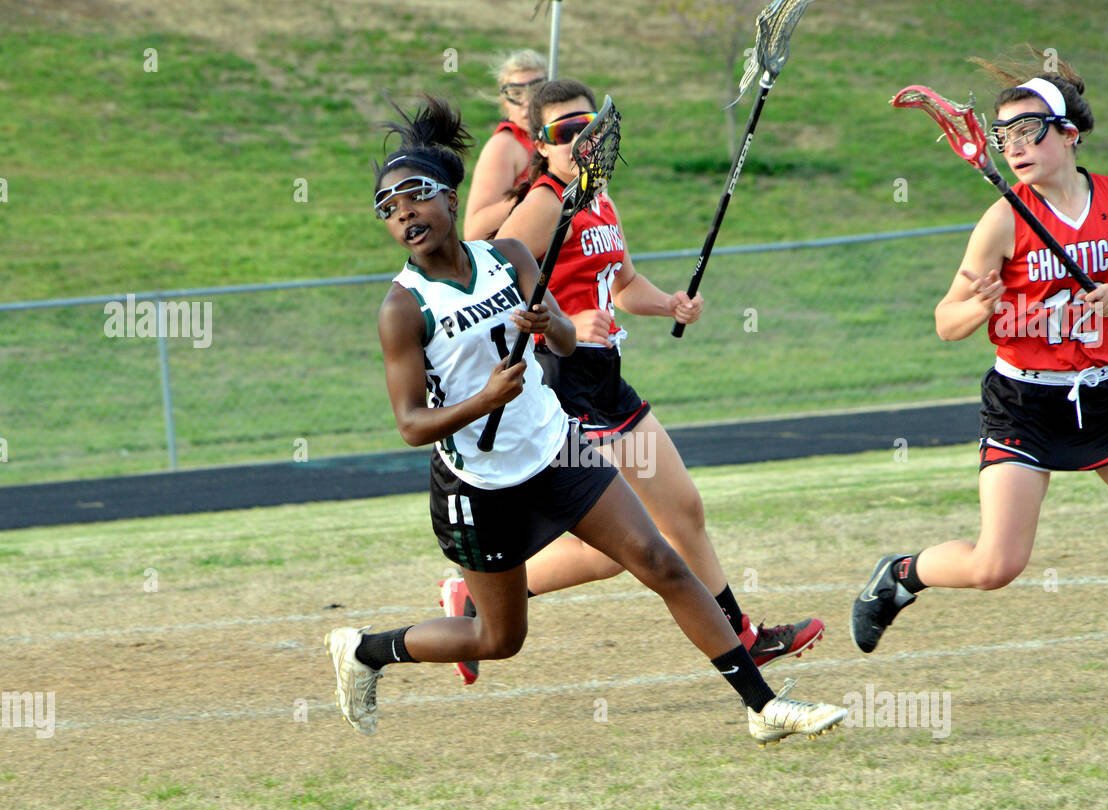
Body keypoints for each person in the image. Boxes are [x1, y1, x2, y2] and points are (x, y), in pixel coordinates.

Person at [325, 94, 848, 747]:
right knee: (500, 638)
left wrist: (552, 326)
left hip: (556, 453)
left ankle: (762, 707)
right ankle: (367, 652)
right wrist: (483, 400)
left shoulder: (510, 258)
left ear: (451, 201)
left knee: (659, 558)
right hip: (476, 487)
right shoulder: (403, 308)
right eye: (389, 207)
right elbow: (410, 424)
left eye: (416, 195)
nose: (403, 211)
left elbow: (569, 342)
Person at [850, 57, 1108, 703]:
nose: (1013, 147)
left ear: (1069, 133)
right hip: (1024, 403)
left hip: (1104, 395)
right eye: (1003, 136)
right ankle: (901, 574)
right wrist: (979, 304)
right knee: (996, 566)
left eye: (1027, 131)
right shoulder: (1004, 218)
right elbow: (945, 323)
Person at [438, 78, 825, 686]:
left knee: (678, 514)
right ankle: (475, 594)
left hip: (607, 380)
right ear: (541, 145)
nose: (581, 141)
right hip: (561, 383)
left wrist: (668, 304)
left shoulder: (599, 199)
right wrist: (562, 323)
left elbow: (621, 283)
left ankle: (741, 635)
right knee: (626, 546)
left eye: (589, 128)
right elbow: (493, 286)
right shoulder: (543, 204)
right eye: (565, 133)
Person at [463, 49, 547, 241]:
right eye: (516, 93)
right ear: (505, 101)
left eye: (536, 90)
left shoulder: (557, 140)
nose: (527, 101)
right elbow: (475, 231)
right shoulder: (505, 146)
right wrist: (536, 194)